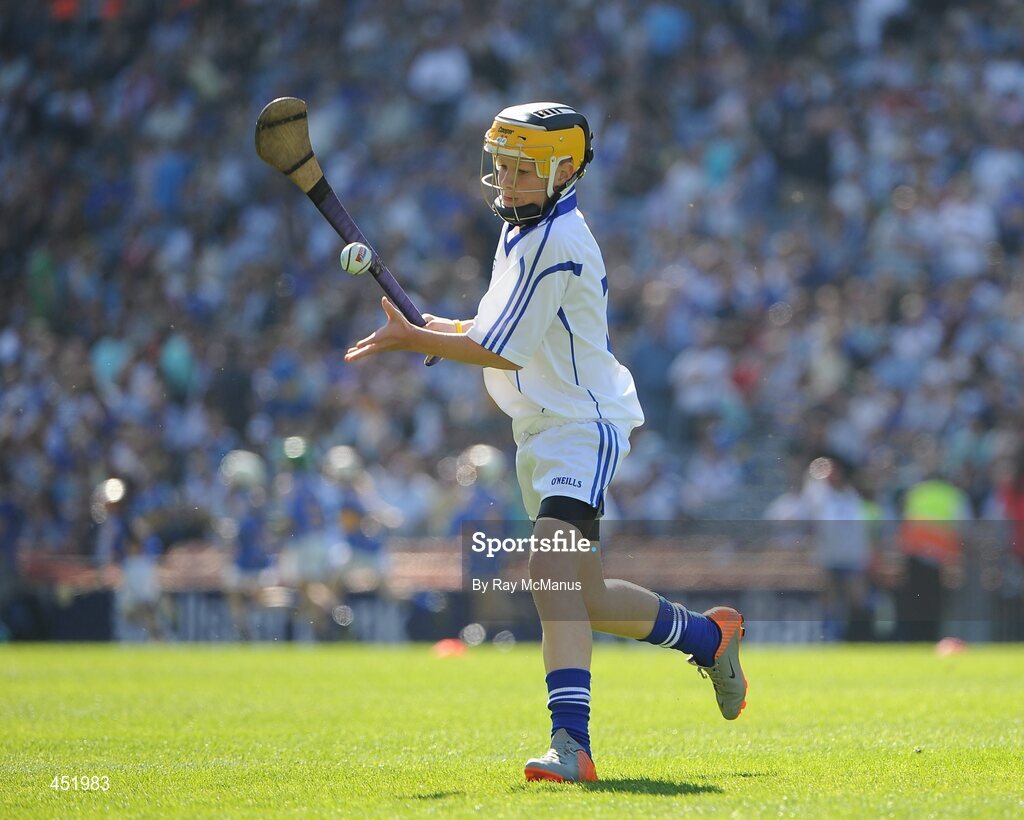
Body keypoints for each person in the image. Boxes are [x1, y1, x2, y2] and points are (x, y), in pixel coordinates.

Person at [344, 102, 747, 783]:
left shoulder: (556, 240)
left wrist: (422, 338)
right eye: (499, 165)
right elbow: (497, 325)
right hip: (541, 431)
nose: (505, 180)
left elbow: (499, 350)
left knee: (547, 574)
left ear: (564, 170)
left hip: (579, 427)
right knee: (582, 596)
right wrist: (442, 326)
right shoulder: (523, 229)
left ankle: (572, 744)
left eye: (521, 169)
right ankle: (711, 637)